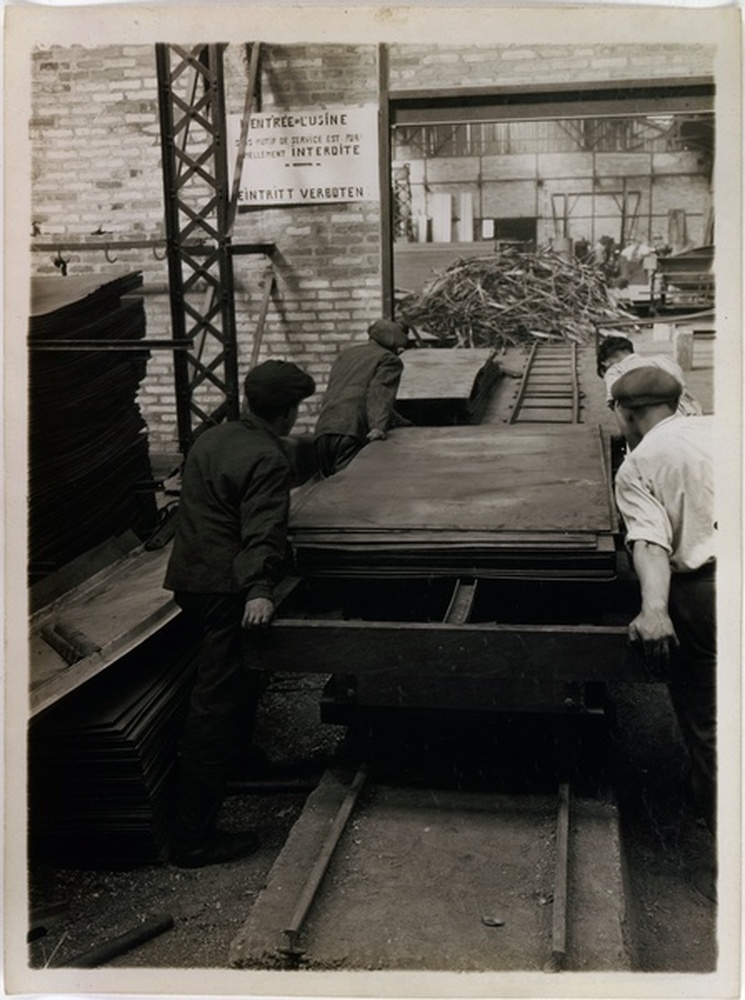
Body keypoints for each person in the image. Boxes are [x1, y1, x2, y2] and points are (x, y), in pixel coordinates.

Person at [164, 359, 316, 867]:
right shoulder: (269, 459)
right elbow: (261, 531)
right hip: (227, 587)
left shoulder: (212, 438)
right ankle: (192, 838)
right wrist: (259, 588)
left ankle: (244, 760)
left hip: (191, 579)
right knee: (216, 703)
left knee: (242, 677)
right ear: (291, 411)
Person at [611, 367, 716, 879]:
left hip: (709, 596)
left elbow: (649, 541)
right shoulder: (724, 428)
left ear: (627, 414)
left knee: (714, 726)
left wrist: (654, 610)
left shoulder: (641, 463)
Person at [313, 318, 413, 477]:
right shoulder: (388, 359)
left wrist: (399, 421)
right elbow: (379, 393)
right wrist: (378, 427)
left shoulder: (347, 354)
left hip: (324, 429)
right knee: (350, 490)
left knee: (327, 489)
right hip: (352, 432)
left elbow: (354, 394)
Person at [597, 334, 702, 417]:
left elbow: (617, 407)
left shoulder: (615, 370)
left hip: (658, 424)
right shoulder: (665, 359)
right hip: (693, 413)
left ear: (605, 363)